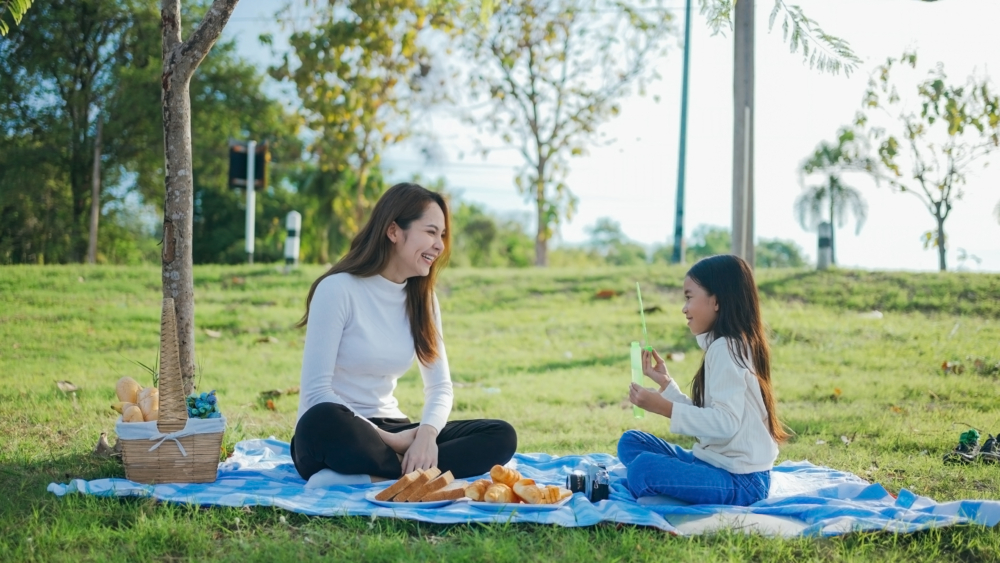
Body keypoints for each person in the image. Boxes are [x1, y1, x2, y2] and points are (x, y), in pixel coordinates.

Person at [291, 182, 517, 486]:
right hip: (342, 430)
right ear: (394, 231)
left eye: (442, 235)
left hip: (395, 428)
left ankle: (372, 477)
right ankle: (413, 473)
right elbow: (317, 393)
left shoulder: (423, 299)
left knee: (501, 436)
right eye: (430, 232)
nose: (439, 245)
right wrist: (393, 442)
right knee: (321, 422)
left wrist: (426, 435)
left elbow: (440, 387)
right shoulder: (337, 290)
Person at [619, 254, 788, 506]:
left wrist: (664, 408)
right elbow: (712, 417)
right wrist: (666, 385)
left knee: (643, 469)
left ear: (716, 301)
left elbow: (725, 424)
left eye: (689, 297)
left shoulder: (726, 349)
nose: (684, 308)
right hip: (715, 462)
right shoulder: (726, 346)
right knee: (632, 442)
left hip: (741, 480)